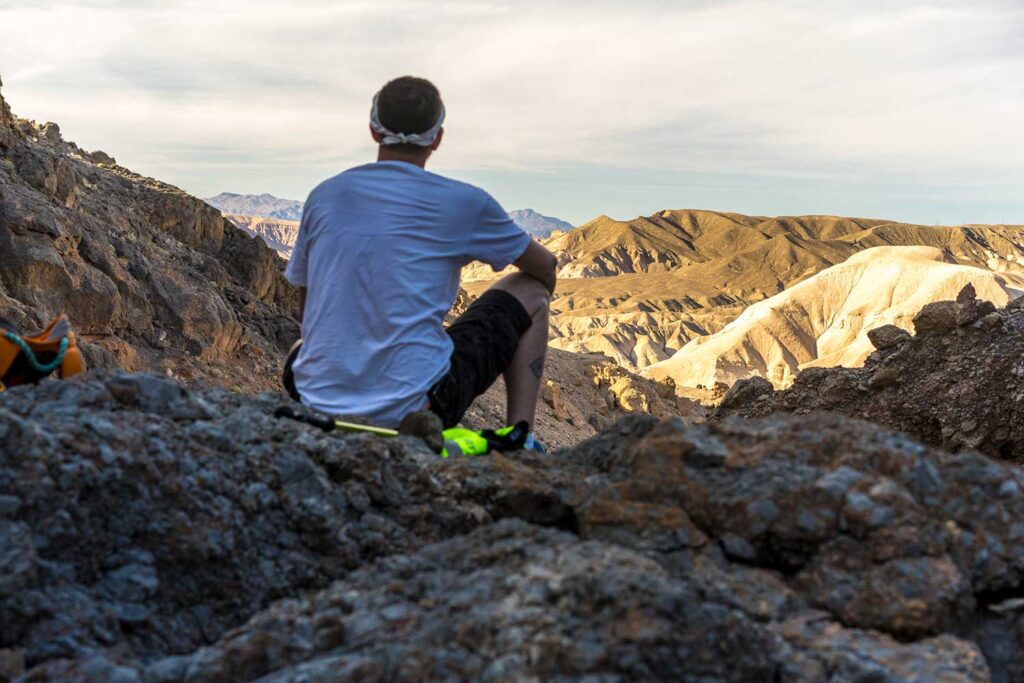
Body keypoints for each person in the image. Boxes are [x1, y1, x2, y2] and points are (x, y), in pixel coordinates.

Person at [284, 76, 556, 450]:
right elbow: (545, 267)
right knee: (532, 291)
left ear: (373, 131)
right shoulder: (464, 203)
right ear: (437, 137)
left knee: (301, 347)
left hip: (314, 401)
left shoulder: (324, 196)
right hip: (419, 410)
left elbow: (307, 306)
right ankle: (521, 436)